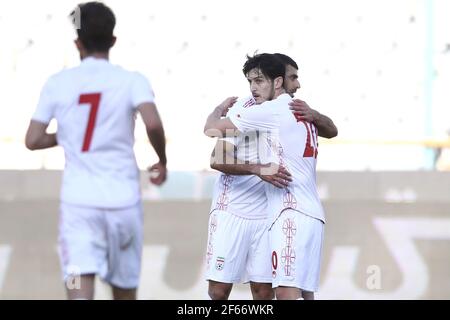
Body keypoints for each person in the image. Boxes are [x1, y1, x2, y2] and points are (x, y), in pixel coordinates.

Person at [25, 2, 167, 300]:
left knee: (78, 286)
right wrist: (161, 160)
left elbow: (34, 140)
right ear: (113, 40)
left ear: (77, 42)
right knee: (124, 291)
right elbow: (152, 123)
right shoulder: (132, 80)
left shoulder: (58, 83)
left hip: (79, 206)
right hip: (123, 203)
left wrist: (68, 134)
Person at [205, 53, 336, 300]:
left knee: (265, 293)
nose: (297, 84)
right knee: (218, 292)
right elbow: (216, 158)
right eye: (293, 77)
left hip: (270, 212)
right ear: (279, 80)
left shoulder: (295, 110)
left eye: (258, 81)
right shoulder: (245, 108)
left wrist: (316, 115)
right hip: (233, 208)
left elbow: (332, 130)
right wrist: (259, 168)